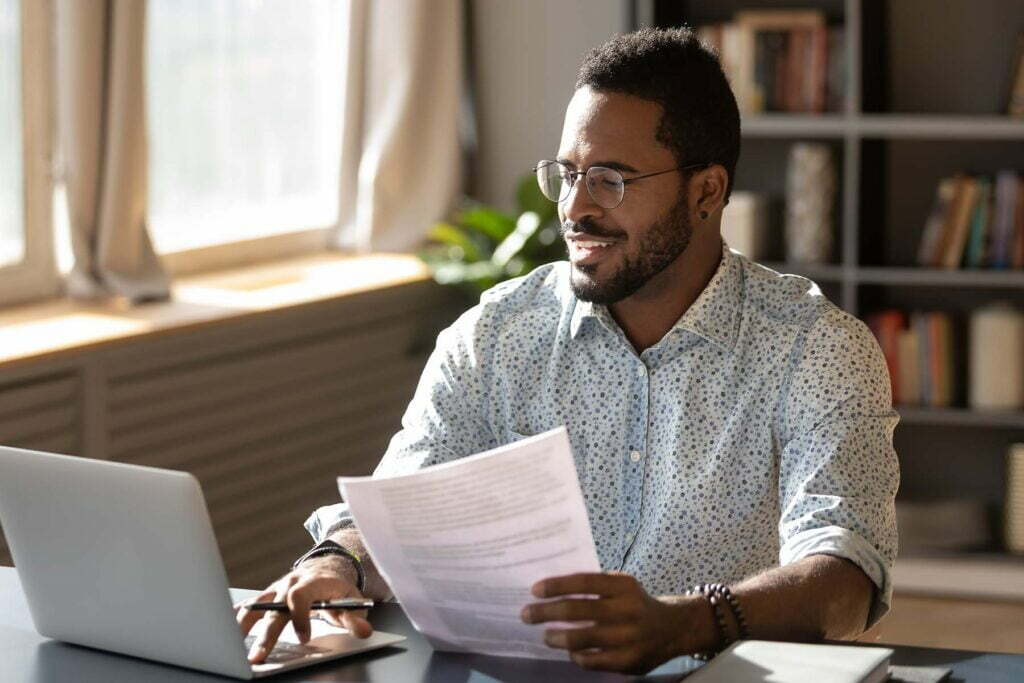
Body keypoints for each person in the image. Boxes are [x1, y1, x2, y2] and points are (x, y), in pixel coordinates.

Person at [238, 27, 899, 674]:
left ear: (706, 192)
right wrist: (336, 561)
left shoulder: (816, 348)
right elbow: (399, 510)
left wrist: (684, 623)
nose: (576, 208)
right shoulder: (497, 334)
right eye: (569, 172)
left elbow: (846, 574)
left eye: (611, 179)